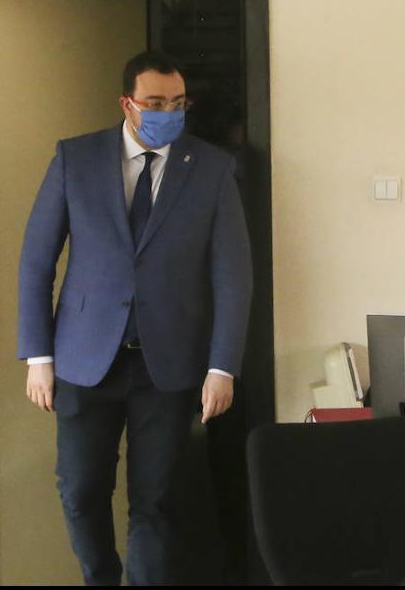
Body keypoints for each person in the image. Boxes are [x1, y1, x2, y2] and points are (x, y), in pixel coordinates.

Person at [17, 50, 253, 585]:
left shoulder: (212, 168)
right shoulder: (75, 158)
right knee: (79, 490)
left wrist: (222, 367)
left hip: (167, 363)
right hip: (84, 359)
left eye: (178, 103)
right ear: (128, 104)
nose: (168, 112)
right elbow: (36, 261)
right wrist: (38, 356)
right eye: (156, 102)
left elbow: (233, 276)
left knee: (156, 501)